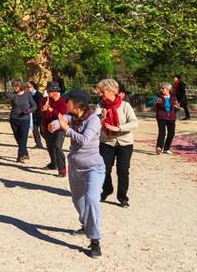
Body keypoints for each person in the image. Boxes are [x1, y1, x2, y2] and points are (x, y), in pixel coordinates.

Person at [50, 88, 104, 259]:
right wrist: (54, 125)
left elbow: (84, 139)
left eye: (68, 101)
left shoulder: (93, 120)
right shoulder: (70, 116)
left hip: (93, 167)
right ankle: (86, 225)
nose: (66, 103)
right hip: (75, 166)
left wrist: (66, 130)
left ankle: (95, 241)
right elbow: (61, 121)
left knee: (91, 199)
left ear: (77, 103)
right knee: (78, 200)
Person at [97, 79, 139, 208]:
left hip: (124, 143)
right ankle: (107, 189)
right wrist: (101, 118)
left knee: (123, 171)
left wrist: (119, 128)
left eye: (102, 91)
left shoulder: (125, 105)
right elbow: (94, 120)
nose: (100, 94)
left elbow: (134, 123)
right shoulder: (100, 105)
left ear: (111, 91)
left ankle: (122, 197)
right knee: (104, 169)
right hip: (107, 142)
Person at [40, 81, 68, 177]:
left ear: (56, 91)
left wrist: (51, 109)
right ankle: (53, 164)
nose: (49, 93)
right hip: (47, 126)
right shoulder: (45, 100)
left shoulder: (63, 102)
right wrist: (43, 109)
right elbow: (41, 112)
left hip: (60, 128)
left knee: (57, 146)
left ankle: (62, 169)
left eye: (51, 91)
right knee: (50, 146)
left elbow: (61, 115)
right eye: (48, 91)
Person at [6, 80, 37, 163]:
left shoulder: (27, 95)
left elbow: (34, 106)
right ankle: (25, 152)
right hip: (13, 119)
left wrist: (28, 111)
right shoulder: (13, 95)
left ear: (21, 86)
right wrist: (6, 93)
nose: (15, 87)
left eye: (17, 86)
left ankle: (20, 156)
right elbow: (7, 96)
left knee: (23, 137)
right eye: (14, 86)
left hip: (24, 119)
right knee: (18, 138)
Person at [148, 83, 180, 155]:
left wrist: (177, 107)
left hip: (171, 117)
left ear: (168, 89)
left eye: (163, 88)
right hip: (161, 117)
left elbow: (177, 107)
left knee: (171, 133)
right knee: (162, 132)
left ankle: (166, 148)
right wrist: (154, 102)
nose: (161, 89)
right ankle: (159, 147)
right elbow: (148, 104)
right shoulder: (158, 97)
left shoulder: (173, 97)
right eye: (161, 88)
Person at [27, 81, 44, 149]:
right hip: (32, 115)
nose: (27, 88)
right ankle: (38, 144)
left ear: (33, 87)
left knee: (43, 131)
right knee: (35, 130)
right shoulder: (28, 94)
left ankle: (50, 142)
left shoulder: (38, 94)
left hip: (40, 115)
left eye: (29, 87)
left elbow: (39, 105)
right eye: (27, 87)